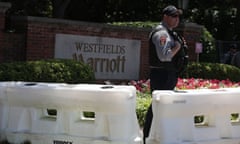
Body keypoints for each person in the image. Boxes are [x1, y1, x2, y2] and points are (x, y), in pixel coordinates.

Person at [143, 5, 188, 143]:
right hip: (162, 75)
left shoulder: (169, 32)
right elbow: (164, 56)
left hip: (168, 74)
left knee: (163, 106)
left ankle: (158, 136)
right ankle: (147, 136)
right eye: (174, 16)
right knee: (158, 106)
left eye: (178, 16)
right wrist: (177, 47)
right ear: (165, 17)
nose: (177, 19)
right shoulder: (162, 33)